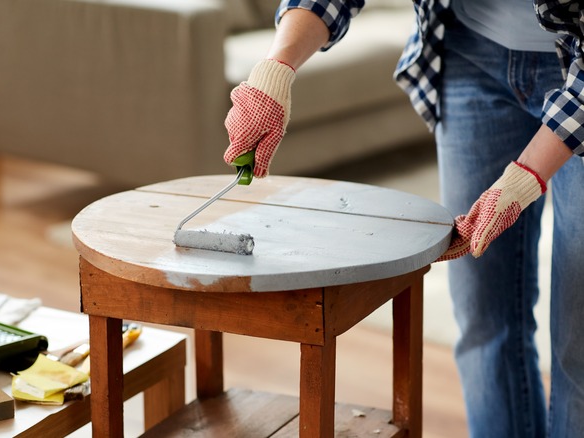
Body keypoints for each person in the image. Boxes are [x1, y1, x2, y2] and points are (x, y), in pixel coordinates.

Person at [222, 0, 584, 436]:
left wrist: (527, 175)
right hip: (470, 49)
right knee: (483, 315)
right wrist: (275, 70)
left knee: (577, 344)